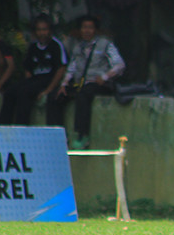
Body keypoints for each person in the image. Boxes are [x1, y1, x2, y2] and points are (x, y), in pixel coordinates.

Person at [47, 15, 125, 149]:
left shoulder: (105, 44)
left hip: (99, 84)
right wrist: (64, 84)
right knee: (55, 96)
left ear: (96, 30)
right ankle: (57, 137)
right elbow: (72, 67)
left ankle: (82, 136)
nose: (87, 31)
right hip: (80, 83)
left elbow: (120, 65)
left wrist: (105, 77)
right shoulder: (78, 47)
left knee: (83, 95)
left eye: (90, 28)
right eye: (84, 28)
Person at [0, 14, 68, 126]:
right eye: (39, 30)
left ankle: (21, 128)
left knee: (24, 93)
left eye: (44, 30)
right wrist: (29, 84)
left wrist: (48, 90)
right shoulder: (33, 46)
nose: (41, 33)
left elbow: (61, 69)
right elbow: (28, 69)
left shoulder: (56, 45)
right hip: (35, 79)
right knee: (10, 92)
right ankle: (2, 127)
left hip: (49, 79)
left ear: (50, 30)